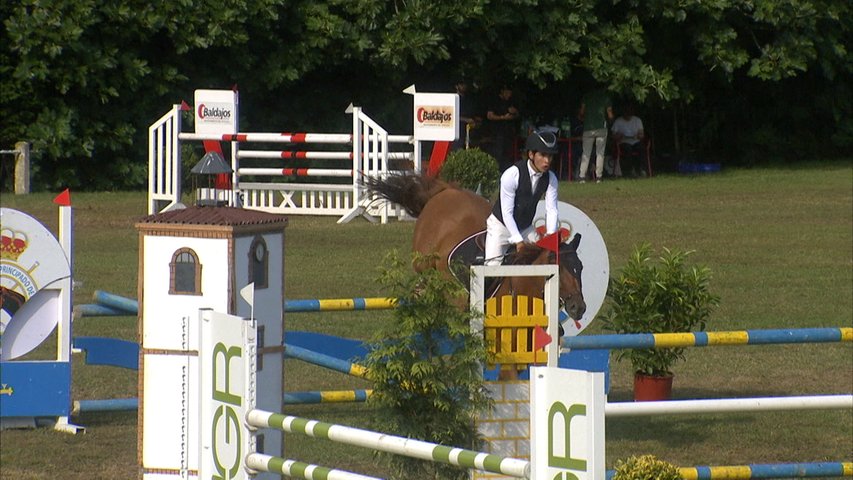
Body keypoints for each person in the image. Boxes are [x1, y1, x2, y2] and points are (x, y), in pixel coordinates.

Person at [485, 130, 560, 266]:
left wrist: (550, 235)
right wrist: (518, 240)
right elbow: (507, 213)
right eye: (543, 155)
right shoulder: (511, 175)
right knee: (492, 268)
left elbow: (552, 210)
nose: (547, 161)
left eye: (550, 156)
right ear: (531, 154)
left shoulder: (551, 178)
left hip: (525, 228)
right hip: (500, 227)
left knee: (544, 260)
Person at [577, 89, 614, 183]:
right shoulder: (605, 97)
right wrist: (609, 122)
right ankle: (599, 177)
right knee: (600, 153)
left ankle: (582, 176)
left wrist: (583, 119)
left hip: (588, 128)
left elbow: (581, 112)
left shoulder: (586, 96)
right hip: (601, 127)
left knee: (586, 153)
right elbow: (610, 115)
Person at [486, 85, 520, 171]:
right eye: (508, 92)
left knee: (507, 154)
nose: (509, 95)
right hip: (497, 132)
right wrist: (502, 117)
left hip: (508, 132)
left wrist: (515, 112)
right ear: (503, 91)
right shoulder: (495, 101)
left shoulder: (509, 102)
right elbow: (489, 116)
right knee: (498, 153)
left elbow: (516, 115)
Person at [610, 103, 645, 177]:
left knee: (641, 148)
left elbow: (642, 135)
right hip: (623, 142)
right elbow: (613, 136)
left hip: (635, 141)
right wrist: (618, 136)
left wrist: (638, 136)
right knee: (627, 149)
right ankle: (630, 169)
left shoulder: (637, 120)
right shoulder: (618, 121)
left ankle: (640, 169)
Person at [451, 80, 481, 151]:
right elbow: (452, 115)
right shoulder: (453, 98)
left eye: (464, 84)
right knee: (458, 147)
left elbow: (470, 112)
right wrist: (466, 120)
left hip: (469, 128)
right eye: (461, 84)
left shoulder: (468, 98)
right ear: (456, 86)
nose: (464, 86)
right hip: (457, 128)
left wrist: (475, 119)